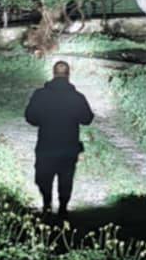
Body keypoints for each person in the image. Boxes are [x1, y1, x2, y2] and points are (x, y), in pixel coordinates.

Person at [23, 58, 93, 218]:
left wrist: (43, 119)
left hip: (46, 144)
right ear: (68, 75)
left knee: (43, 176)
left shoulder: (40, 95)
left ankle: (47, 203)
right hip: (69, 146)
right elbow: (87, 119)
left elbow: (30, 117)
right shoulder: (77, 97)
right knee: (66, 177)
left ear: (53, 74)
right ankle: (63, 208)